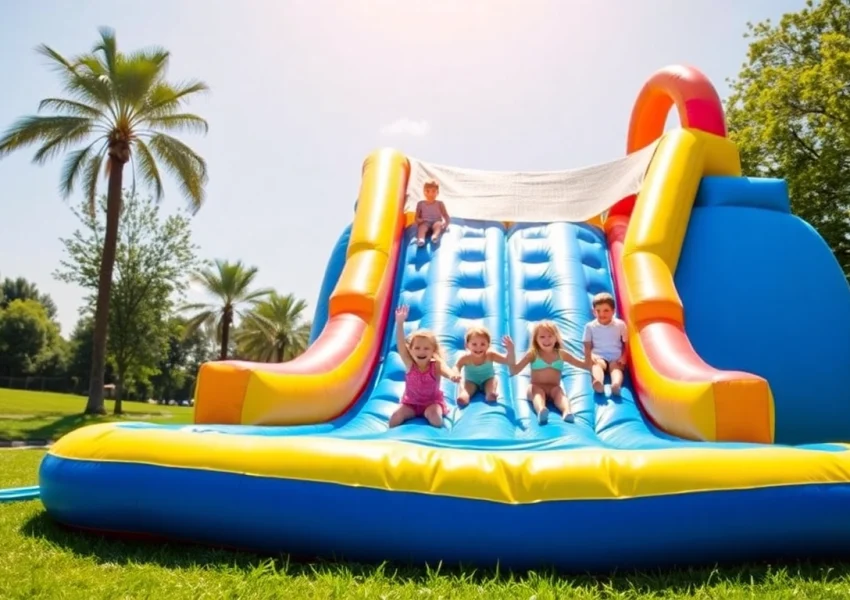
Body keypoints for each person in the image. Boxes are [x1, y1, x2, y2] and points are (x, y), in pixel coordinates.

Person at [504, 321, 589, 425]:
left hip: (554, 387)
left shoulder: (561, 354)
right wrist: (511, 352)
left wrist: (588, 352)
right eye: (542, 337)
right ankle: (541, 410)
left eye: (550, 336)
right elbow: (514, 370)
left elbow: (583, 365)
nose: (547, 340)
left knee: (559, 394)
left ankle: (567, 412)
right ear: (536, 339)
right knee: (538, 393)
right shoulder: (533, 354)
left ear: (556, 337)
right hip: (536, 386)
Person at [389, 305, 461, 428]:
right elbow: (401, 344)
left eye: (426, 348)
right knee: (395, 417)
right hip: (410, 404)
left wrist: (452, 376)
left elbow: (446, 370)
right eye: (417, 348)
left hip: (431, 403)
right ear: (410, 350)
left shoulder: (436, 365)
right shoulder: (409, 364)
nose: (421, 352)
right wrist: (400, 323)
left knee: (436, 419)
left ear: (433, 350)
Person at [583, 292, 628, 396]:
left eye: (606, 310)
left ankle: (616, 385)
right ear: (594, 312)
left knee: (615, 368)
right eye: (598, 311)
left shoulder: (620, 325)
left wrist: (624, 356)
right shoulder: (590, 326)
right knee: (597, 366)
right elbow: (586, 345)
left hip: (615, 356)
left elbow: (626, 343)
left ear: (613, 311)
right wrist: (590, 355)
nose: (602, 314)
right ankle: (598, 383)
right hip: (599, 355)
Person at [453, 326, 511, 406]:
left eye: (483, 344)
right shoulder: (466, 358)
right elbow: (457, 366)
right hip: (471, 381)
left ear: (488, 345)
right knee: (466, 387)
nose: (478, 347)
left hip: (487, 379)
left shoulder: (490, 355)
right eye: (474, 344)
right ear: (467, 345)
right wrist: (456, 373)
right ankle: (464, 396)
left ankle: (490, 394)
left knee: (492, 382)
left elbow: (507, 360)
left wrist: (510, 350)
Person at [415, 179, 450, 246]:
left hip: (436, 221)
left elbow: (445, 215)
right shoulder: (420, 204)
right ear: (424, 192)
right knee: (422, 228)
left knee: (438, 225)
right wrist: (419, 220)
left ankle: (435, 236)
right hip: (425, 222)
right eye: (427, 191)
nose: (430, 194)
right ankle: (421, 239)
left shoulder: (440, 203)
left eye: (433, 191)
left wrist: (446, 223)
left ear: (437, 192)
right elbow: (416, 217)